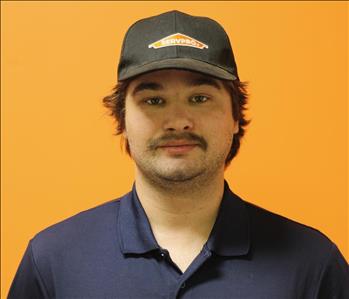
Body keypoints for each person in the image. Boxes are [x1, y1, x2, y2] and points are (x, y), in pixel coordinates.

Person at [8, 10, 349, 299]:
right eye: (153, 101)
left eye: (200, 98)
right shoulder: (53, 260)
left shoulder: (313, 264)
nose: (178, 122)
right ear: (122, 120)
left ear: (234, 117)